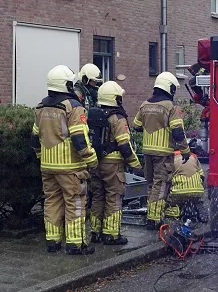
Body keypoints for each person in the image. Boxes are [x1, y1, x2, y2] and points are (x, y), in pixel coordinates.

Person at [31, 65, 99, 255]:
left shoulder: (41, 106)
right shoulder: (73, 107)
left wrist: (40, 156)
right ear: (67, 84)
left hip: (47, 166)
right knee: (75, 202)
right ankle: (75, 244)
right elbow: (80, 139)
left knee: (51, 201)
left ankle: (52, 242)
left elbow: (34, 138)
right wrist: (92, 159)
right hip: (71, 167)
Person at [132, 72, 190, 230]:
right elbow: (178, 131)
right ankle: (154, 219)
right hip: (163, 153)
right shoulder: (171, 107)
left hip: (147, 152)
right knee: (161, 183)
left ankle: (152, 213)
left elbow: (136, 125)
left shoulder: (144, 105)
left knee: (151, 184)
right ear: (169, 87)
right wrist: (185, 151)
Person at [87, 81, 142, 245]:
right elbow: (124, 144)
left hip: (95, 162)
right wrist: (136, 165)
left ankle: (95, 232)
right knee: (114, 196)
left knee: (97, 197)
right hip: (112, 165)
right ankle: (111, 235)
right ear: (115, 98)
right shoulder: (117, 118)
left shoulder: (95, 114)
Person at [165, 149, 205, 223]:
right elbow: (202, 175)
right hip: (197, 190)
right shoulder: (193, 156)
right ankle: (196, 205)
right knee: (191, 198)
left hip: (179, 192)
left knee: (169, 202)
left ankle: (174, 213)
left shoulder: (170, 157)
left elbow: (166, 178)